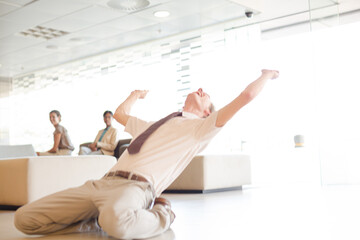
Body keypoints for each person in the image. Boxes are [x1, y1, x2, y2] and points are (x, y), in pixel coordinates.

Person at [15, 69, 279, 239]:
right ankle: (94, 220)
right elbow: (120, 115)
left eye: (205, 95)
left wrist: (266, 75)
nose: (201, 89)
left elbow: (246, 95)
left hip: (135, 187)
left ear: (208, 113)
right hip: (100, 183)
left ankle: (163, 215)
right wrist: (135, 94)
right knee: (24, 219)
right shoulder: (156, 125)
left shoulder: (201, 129)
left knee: (117, 223)